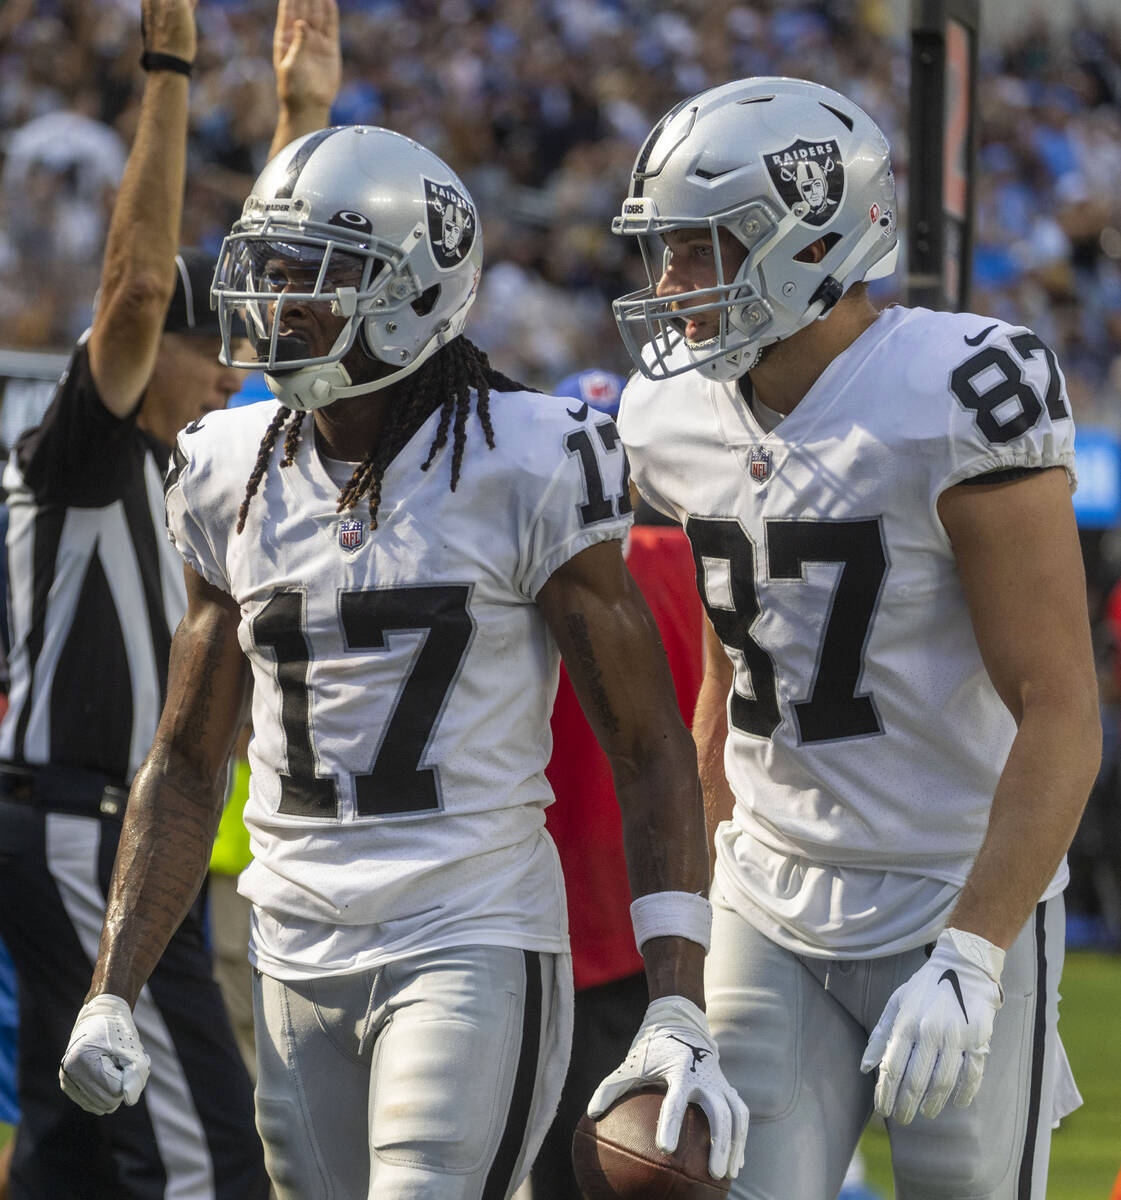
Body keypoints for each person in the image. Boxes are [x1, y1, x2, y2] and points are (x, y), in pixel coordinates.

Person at [58, 124, 749, 1199]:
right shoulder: (223, 463)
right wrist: (113, 986)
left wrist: (674, 994)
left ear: (410, 294)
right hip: (290, 935)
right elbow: (188, 758)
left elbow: (649, 745)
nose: (274, 302)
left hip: (469, 928)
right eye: (270, 270)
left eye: (312, 277)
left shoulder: (532, 455)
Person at [610, 77, 1099, 1200]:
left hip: (950, 886)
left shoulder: (957, 386)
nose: (672, 287)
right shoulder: (666, 414)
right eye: (665, 252)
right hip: (765, 892)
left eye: (702, 251)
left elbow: (1060, 708)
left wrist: (976, 949)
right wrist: (683, 958)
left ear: (808, 238)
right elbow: (730, 677)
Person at [0, 1, 340, 1196]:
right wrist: (171, 66)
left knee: (71, 1142)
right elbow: (144, 283)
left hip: (121, 833)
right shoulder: (88, 446)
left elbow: (242, 291)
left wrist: (303, 118)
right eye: (218, 350)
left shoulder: (201, 469)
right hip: (85, 821)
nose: (238, 366)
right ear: (160, 359)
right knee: (206, 1156)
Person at [531, 369, 706, 1200]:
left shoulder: (536, 569)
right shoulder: (693, 557)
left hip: (566, 907)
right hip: (673, 893)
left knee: (569, 1161)